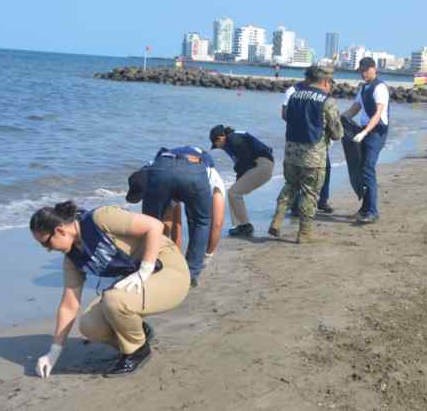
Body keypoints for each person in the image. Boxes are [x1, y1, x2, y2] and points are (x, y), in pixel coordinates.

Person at [30, 201, 189, 378]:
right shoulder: (72, 259)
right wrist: (54, 351)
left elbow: (155, 226)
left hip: (168, 269)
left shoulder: (101, 218)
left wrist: (144, 270)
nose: (48, 250)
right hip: (137, 281)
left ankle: (137, 351)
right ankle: (140, 333)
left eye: (47, 243)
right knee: (90, 326)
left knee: (114, 300)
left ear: (60, 230)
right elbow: (69, 305)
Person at [126, 146, 226, 287]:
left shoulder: (152, 166)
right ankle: (190, 276)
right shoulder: (213, 175)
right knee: (201, 223)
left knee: (151, 223)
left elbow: (171, 223)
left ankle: (152, 264)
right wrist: (207, 256)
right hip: (194, 174)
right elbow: (217, 223)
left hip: (161, 171)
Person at [268, 66, 343, 242]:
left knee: (290, 186)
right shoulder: (327, 101)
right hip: (313, 155)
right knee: (310, 193)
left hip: (291, 153)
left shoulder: (294, 96)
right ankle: (304, 233)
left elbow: (287, 117)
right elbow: (337, 133)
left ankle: (277, 220)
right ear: (325, 82)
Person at [340, 57, 390, 224]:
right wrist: (341, 118)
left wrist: (365, 132)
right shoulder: (363, 88)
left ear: (373, 69)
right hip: (364, 130)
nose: (362, 73)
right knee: (361, 168)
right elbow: (355, 108)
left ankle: (372, 212)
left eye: (365, 70)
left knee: (368, 168)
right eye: (360, 71)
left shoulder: (380, 88)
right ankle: (364, 209)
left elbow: (378, 114)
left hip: (377, 132)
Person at [283, 68, 334, 213]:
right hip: (298, 139)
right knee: (297, 173)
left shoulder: (321, 91)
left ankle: (323, 200)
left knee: (325, 168)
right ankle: (295, 206)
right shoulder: (293, 91)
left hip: (317, 138)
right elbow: (285, 114)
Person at [210, 125, 274, 236]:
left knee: (233, 193)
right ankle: (240, 226)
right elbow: (244, 163)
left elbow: (245, 159)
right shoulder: (232, 139)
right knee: (233, 192)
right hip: (261, 164)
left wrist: (238, 168)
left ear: (220, 138)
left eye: (216, 145)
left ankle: (245, 226)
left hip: (262, 165)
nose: (218, 148)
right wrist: (239, 176)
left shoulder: (233, 139)